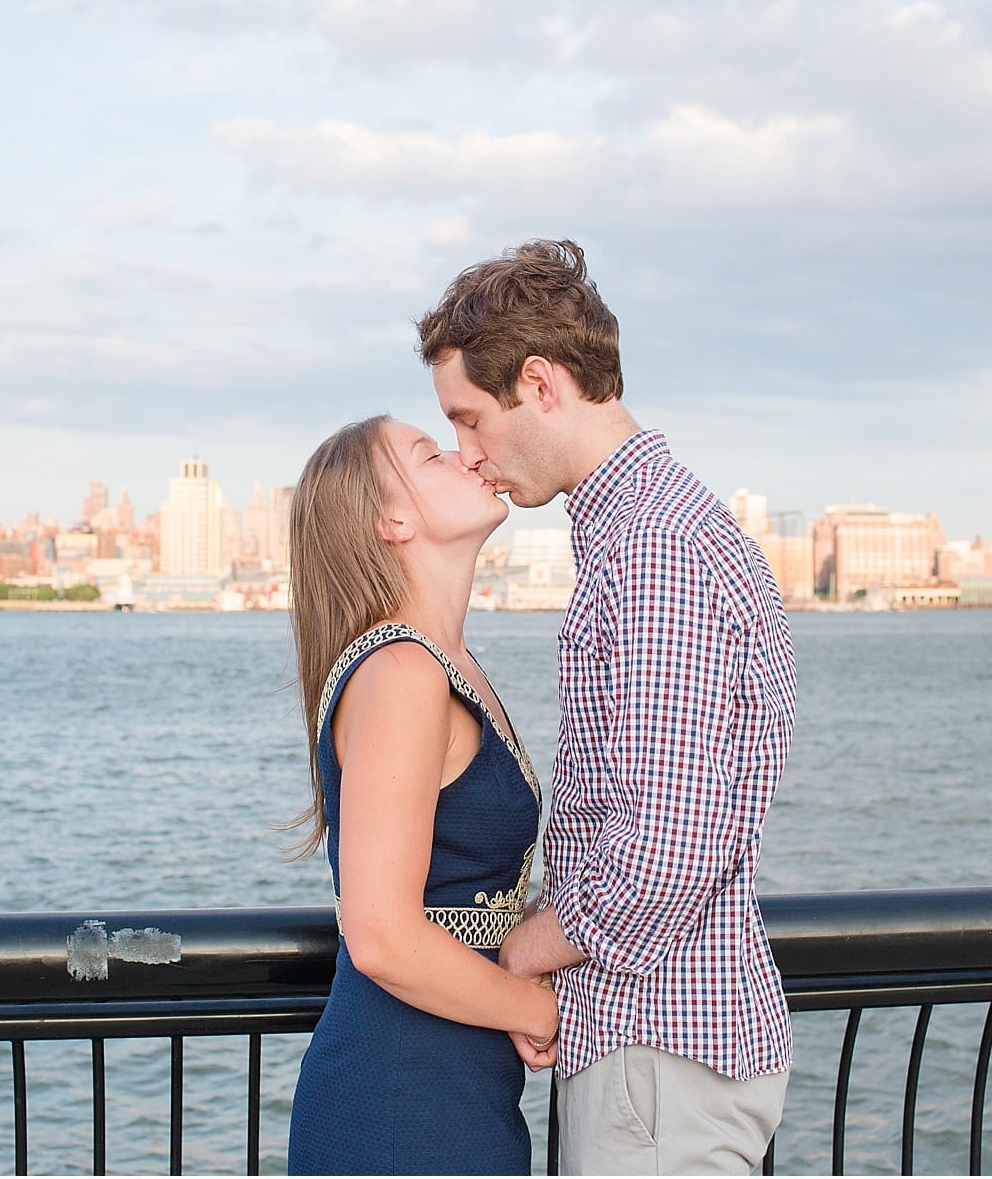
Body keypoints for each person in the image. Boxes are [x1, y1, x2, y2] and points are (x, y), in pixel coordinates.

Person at [418, 239, 798, 1175]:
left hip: (657, 1052)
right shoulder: (663, 530)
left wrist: (525, 951)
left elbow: (666, 848)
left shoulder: (651, 553)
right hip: (664, 1049)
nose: (469, 455)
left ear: (540, 383)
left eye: (470, 420)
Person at [284, 414, 556, 1175]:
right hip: (398, 1107)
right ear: (392, 520)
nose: (467, 455)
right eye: (430, 454)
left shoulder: (445, 662)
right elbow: (381, 935)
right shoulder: (403, 672)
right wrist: (541, 1010)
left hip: (461, 1090)